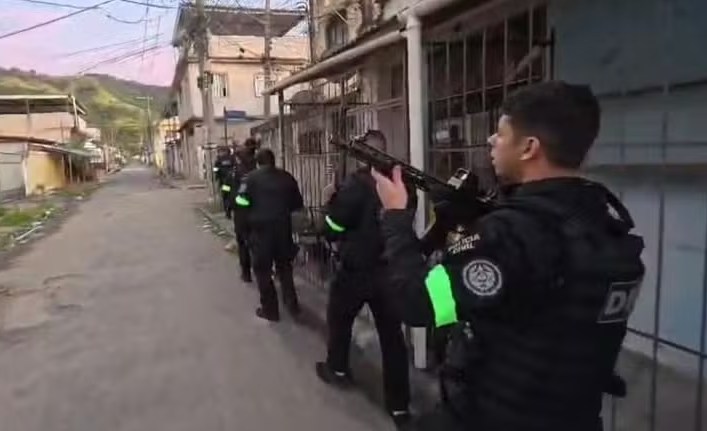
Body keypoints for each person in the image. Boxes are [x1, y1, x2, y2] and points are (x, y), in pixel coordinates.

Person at [371, 81, 645, 431]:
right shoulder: (608, 228)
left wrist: (396, 218)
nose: (491, 141)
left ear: (530, 147)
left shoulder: (508, 235)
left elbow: (417, 303)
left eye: (500, 133)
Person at [315, 130, 413, 429]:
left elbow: (332, 227)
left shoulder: (356, 184)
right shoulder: (403, 183)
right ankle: (399, 407)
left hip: (357, 270)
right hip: (391, 269)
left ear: (363, 155)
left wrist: (329, 202)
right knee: (393, 338)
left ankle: (339, 369)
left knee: (339, 319)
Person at [234, 148, 304, 322]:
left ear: (258, 163)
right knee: (284, 268)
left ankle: (271, 311)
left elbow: (241, 205)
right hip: (282, 231)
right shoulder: (287, 177)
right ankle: (292, 304)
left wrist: (244, 231)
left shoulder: (249, 180)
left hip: (260, 233)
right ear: (273, 161)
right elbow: (297, 205)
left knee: (263, 271)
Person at [230, 138, 259, 283]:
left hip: (242, 214)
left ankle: (246, 273)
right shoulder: (258, 167)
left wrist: (230, 208)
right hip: (257, 212)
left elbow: (233, 192)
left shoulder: (238, 169)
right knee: (258, 243)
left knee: (243, 244)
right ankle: (262, 271)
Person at [213, 146, 235, 219]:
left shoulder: (219, 160)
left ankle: (227, 211)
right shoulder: (232, 158)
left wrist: (217, 176)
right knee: (232, 195)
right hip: (232, 182)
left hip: (224, 182)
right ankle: (232, 209)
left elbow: (215, 169)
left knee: (226, 196)